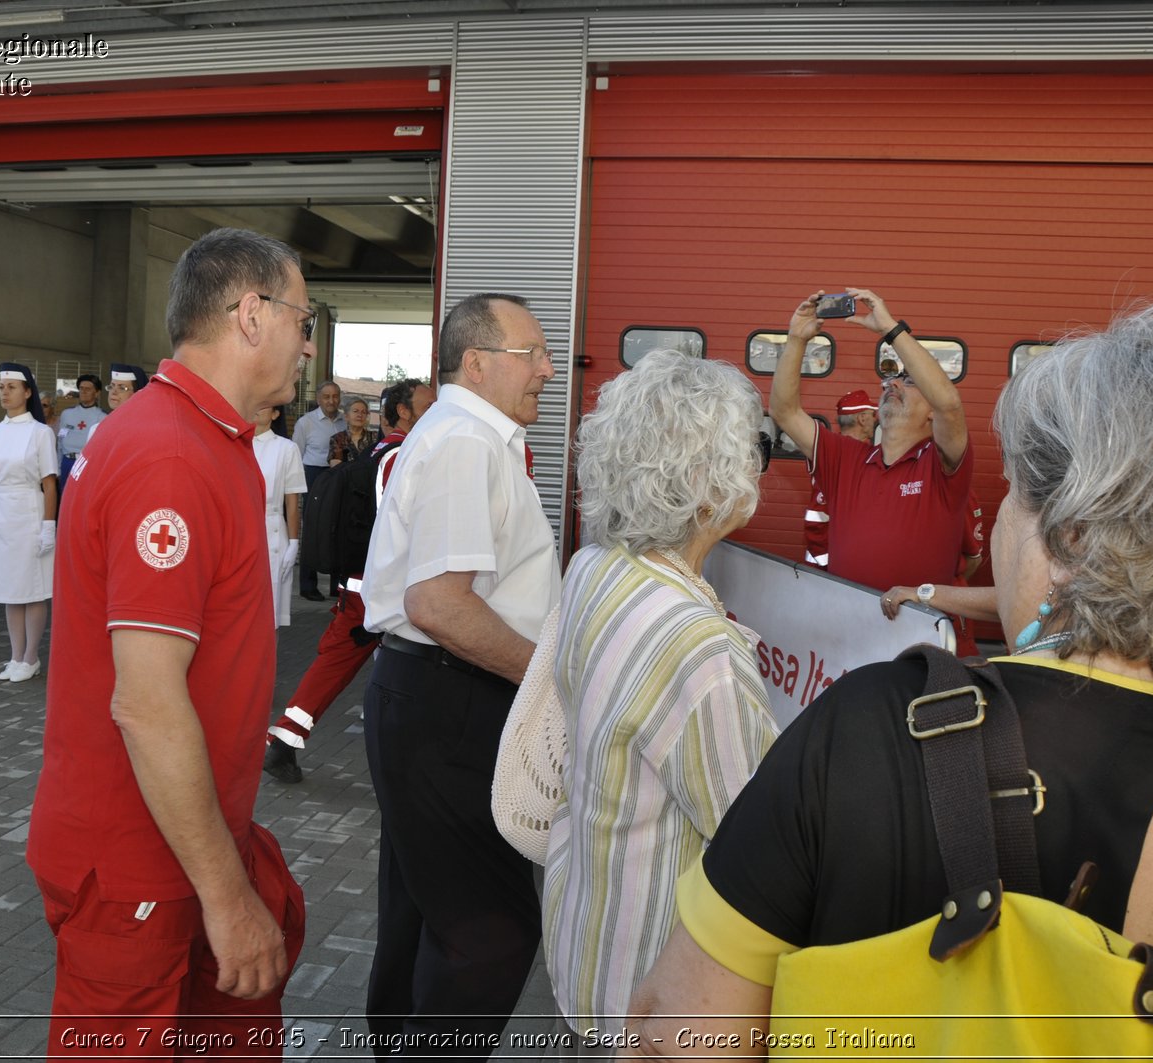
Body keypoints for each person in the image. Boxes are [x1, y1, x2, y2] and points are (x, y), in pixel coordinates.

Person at [626, 302, 1153, 1061]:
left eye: (1016, 494)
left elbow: (667, 1037)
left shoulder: (865, 735)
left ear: (1072, 539)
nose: (998, 518)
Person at [27, 227, 314, 1057]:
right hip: (138, 868)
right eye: (303, 319)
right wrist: (229, 900)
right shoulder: (170, 458)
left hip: (177, 851)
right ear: (252, 315)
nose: (307, 344)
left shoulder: (206, 438)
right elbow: (149, 705)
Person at [543, 352, 780, 1051]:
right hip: (653, 1000)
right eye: (750, 452)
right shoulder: (698, 647)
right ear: (710, 483)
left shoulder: (594, 564)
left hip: (586, 939)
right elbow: (757, 843)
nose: (758, 470)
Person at [361, 293, 560, 1057]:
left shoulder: (472, 437)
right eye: (531, 352)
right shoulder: (465, 443)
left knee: (421, 913)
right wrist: (548, 675)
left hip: (439, 695)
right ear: (476, 362)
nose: (547, 367)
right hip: (451, 698)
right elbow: (441, 605)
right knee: (492, 933)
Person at [263, 379, 435, 784]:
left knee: (336, 665)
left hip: (363, 583)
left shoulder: (380, 452)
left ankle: (285, 742)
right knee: (415, 670)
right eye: (429, 406)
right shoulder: (401, 455)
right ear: (404, 412)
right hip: (388, 587)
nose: (438, 411)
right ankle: (412, 763)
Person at [771, 288, 973, 603]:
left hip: (915, 638)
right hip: (848, 629)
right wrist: (796, 339)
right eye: (891, 381)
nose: (892, 383)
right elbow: (784, 412)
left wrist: (890, 331)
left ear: (931, 412)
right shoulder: (845, 457)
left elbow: (949, 404)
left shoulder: (941, 465)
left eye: (908, 382)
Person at [0, 363, 58, 684]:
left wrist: (48, 525)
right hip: (0, 512)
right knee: (9, 589)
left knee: (32, 589)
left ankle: (31, 656)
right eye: (2, 387)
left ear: (27, 393)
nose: (5, 393)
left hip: (28, 510)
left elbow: (50, 483)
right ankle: (15, 654)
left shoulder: (40, 433)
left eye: (12, 387)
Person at [801, 389, 875, 567]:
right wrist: (828, 563)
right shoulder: (832, 457)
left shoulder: (865, 454)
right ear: (862, 419)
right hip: (827, 568)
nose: (876, 419)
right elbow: (816, 518)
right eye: (873, 415)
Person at [252, 404, 306, 628]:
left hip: (272, 529)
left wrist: (293, 542)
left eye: (265, 407)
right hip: (240, 527)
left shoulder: (286, 448)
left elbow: (291, 501)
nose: (257, 409)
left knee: (269, 611)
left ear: (275, 415)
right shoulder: (234, 442)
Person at [292, 380, 344, 600]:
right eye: (326, 397)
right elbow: (296, 454)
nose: (331, 401)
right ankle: (307, 586)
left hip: (339, 475)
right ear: (318, 399)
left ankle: (336, 586)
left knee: (338, 529)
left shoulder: (345, 421)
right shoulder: (306, 423)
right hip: (314, 476)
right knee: (312, 530)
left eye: (335, 396)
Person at [54, 372, 106, 494]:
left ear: (97, 393)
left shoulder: (103, 417)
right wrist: (58, 468)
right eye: (81, 388)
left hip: (86, 464)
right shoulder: (66, 414)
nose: (83, 392)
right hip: (67, 462)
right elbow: (60, 442)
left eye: (88, 389)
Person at [327, 397, 378, 466]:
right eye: (355, 411)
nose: (360, 415)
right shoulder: (338, 439)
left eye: (363, 412)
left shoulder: (375, 437)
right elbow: (336, 468)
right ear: (346, 416)